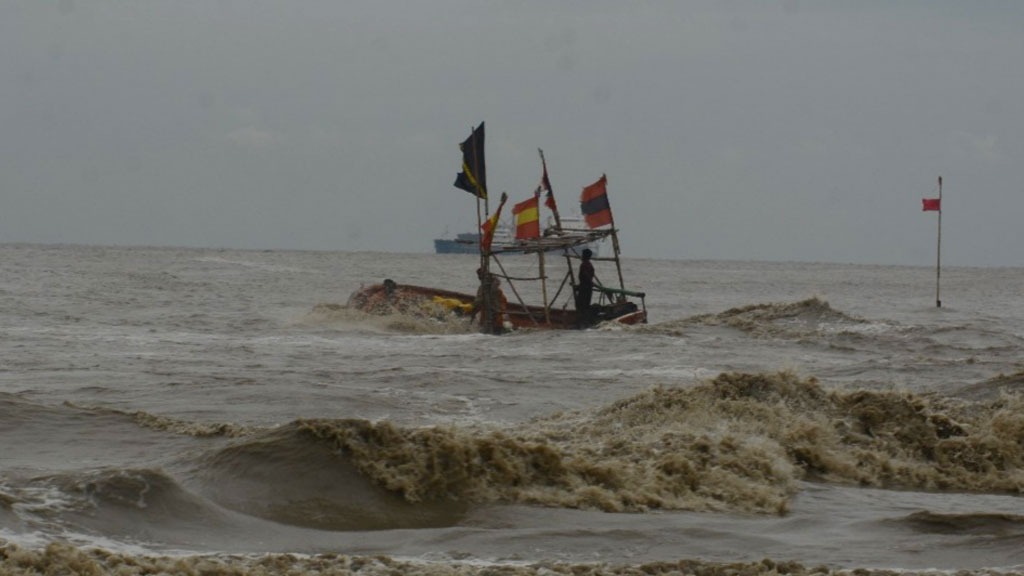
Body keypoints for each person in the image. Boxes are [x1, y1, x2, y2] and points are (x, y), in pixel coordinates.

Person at [470, 268, 506, 334]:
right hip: (499, 318)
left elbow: (478, 302)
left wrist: (471, 307)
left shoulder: (483, 288)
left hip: (489, 318)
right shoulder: (498, 290)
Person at [575, 248, 595, 327]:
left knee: (581, 305)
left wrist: (582, 286)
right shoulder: (589, 265)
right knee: (585, 305)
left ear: (585, 256)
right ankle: (583, 320)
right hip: (587, 288)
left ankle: (582, 321)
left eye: (582, 255)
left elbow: (586, 276)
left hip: (585, 288)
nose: (581, 256)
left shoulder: (584, 265)